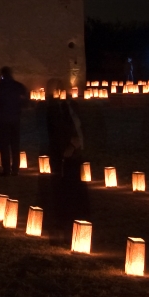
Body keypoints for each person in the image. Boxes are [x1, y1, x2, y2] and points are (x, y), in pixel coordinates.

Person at [44, 78, 90, 245]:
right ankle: (64, 219)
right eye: (58, 89)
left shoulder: (68, 106)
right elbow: (58, 131)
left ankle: (72, 214)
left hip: (73, 151)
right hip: (64, 153)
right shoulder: (54, 109)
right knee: (64, 185)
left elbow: (75, 125)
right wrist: (69, 145)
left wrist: (77, 142)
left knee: (72, 184)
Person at [0, 66, 28, 176]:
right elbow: (26, 98)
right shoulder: (18, 85)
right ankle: (15, 169)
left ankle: (6, 169)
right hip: (15, 119)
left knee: (4, 145)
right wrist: (20, 106)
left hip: (2, 119)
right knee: (15, 145)